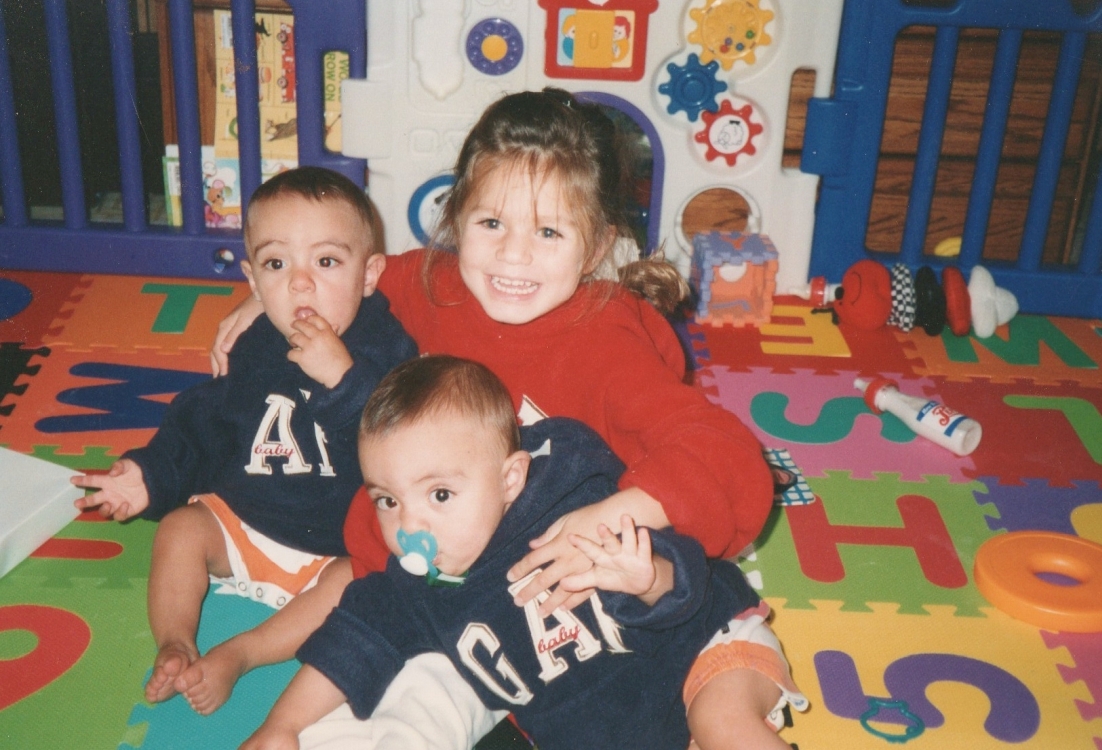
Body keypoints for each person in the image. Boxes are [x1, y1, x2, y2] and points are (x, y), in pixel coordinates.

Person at [214, 89, 801, 748]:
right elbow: (343, 269)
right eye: (491, 223)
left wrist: (613, 514)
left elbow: (729, 460)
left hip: (635, 603)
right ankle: (253, 670)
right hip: (487, 610)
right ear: (456, 219)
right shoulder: (435, 285)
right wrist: (273, 298)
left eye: (548, 232)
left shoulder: (607, 343)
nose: (513, 257)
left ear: (595, 246)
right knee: (368, 622)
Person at [243, 355, 806, 750]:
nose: (410, 527)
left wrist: (648, 578)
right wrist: (281, 726)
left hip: (705, 649)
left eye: (440, 495)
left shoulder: (563, 503)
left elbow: (683, 577)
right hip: (615, 728)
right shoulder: (413, 590)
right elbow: (354, 644)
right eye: (388, 501)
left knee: (724, 725)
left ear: (509, 479)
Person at [71, 166, 417, 715]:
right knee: (181, 529)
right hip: (243, 521)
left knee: (359, 584)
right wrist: (149, 475)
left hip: (333, 548)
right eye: (277, 264)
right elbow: (204, 422)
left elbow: (405, 440)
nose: (299, 283)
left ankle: (241, 654)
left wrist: (345, 380)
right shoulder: (255, 343)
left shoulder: (388, 346)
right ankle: (176, 642)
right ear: (253, 282)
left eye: (326, 262)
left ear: (369, 274)